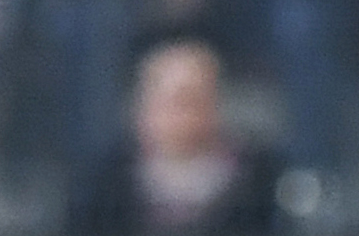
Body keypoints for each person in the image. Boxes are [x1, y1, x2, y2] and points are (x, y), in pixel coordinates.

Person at [67, 36, 285, 236]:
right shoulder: (104, 188)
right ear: (142, 108)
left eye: (192, 100)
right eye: (169, 100)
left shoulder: (260, 185)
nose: (181, 115)